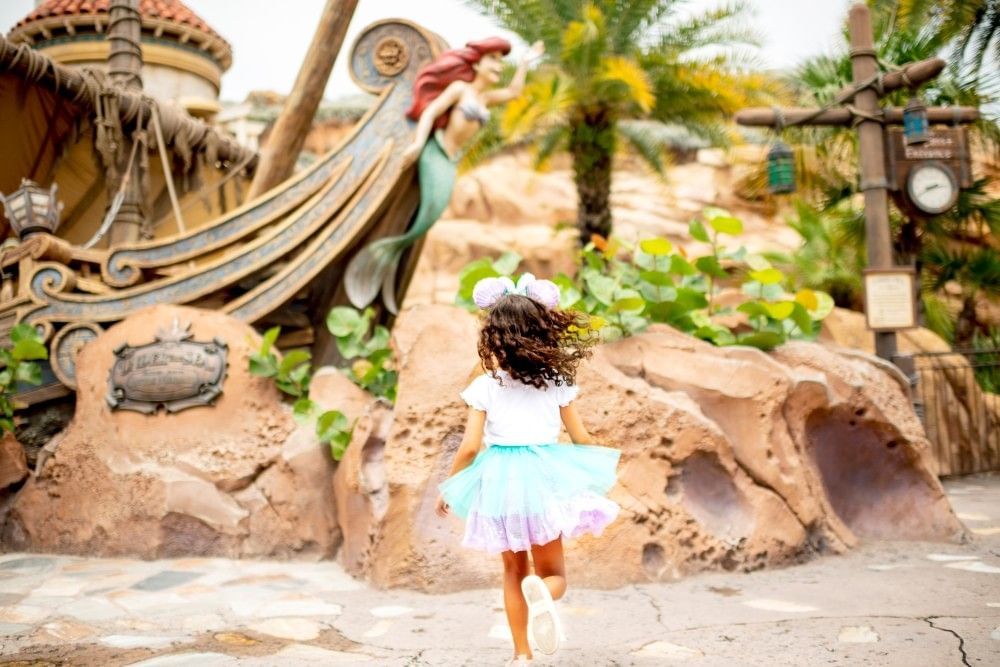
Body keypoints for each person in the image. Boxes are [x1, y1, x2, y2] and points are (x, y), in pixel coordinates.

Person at [436, 273, 621, 666]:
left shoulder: (485, 386)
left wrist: (451, 486)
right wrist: (600, 459)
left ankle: (521, 655)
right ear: (541, 331)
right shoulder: (556, 382)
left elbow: (470, 447)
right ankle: (544, 592)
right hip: (544, 478)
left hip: (499, 480)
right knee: (554, 573)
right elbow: (580, 437)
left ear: (494, 335)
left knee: (511, 570)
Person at [344, 37, 544, 314]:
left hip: (451, 161)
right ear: (477, 62)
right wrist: (417, 144)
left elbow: (513, 93)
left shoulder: (484, 97)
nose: (499, 66)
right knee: (427, 215)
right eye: (493, 59)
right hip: (436, 152)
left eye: (501, 60)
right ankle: (376, 258)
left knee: (428, 219)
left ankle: (387, 266)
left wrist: (524, 63)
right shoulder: (460, 89)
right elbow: (431, 112)